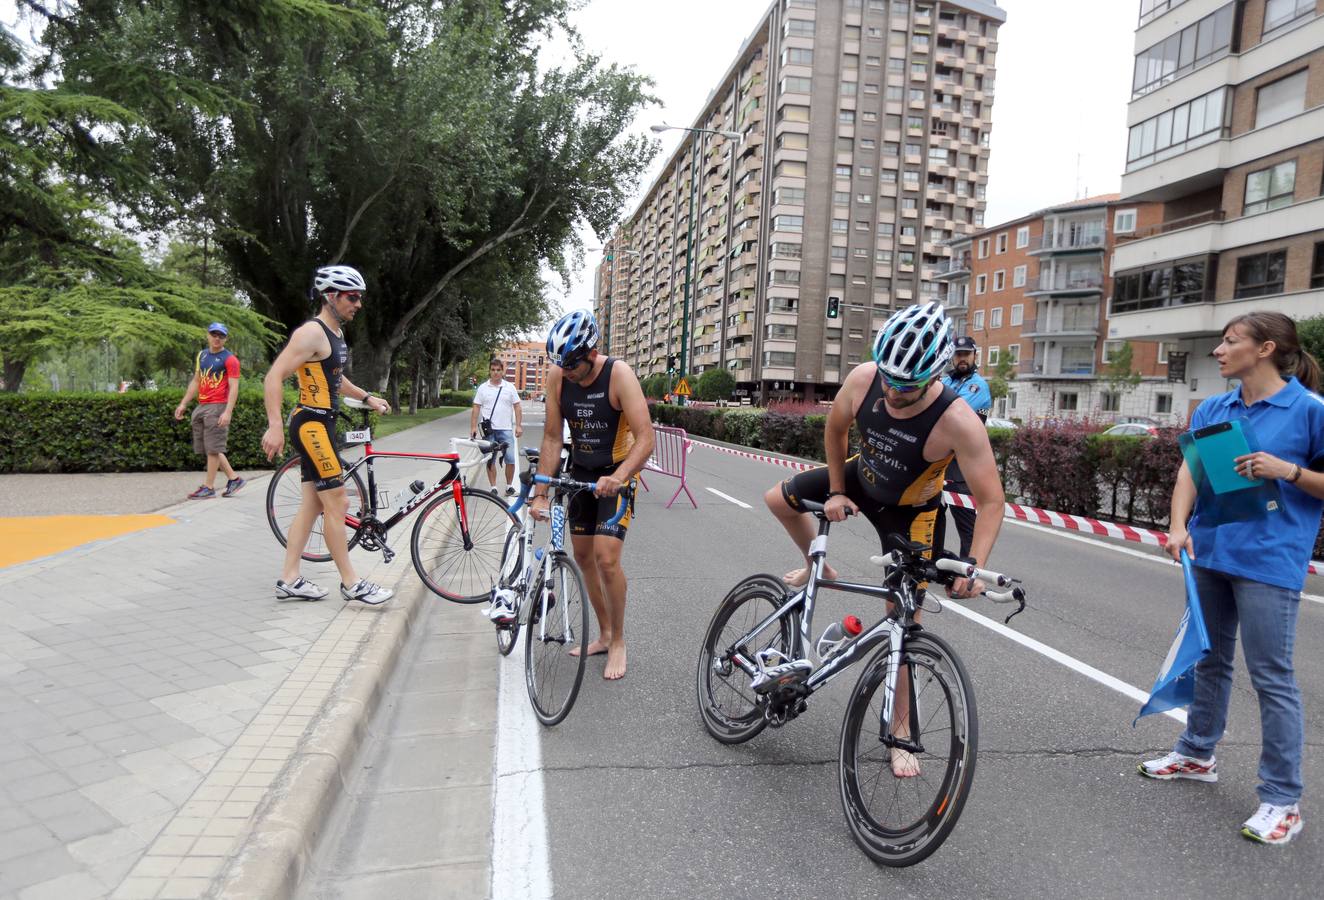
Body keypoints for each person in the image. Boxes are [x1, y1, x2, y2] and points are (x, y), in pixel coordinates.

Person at [764, 302, 1005, 776]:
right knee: (777, 499)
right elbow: (836, 430)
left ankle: (900, 733)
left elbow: (991, 501)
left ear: (935, 375)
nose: (893, 391)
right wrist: (835, 490)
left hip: (911, 511)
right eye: (889, 379)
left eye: (906, 385)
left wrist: (973, 564)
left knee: (902, 624)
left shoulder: (958, 420)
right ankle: (819, 565)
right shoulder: (864, 378)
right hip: (860, 478)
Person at [1140, 311, 1324, 846]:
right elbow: (1190, 472)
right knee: (1211, 659)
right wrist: (1177, 526)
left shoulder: (1309, 410)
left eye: (1229, 341)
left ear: (1265, 348)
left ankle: (1282, 800)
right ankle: (1197, 754)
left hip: (1269, 561)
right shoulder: (1216, 406)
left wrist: (1286, 471)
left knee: (1271, 677)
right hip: (1211, 552)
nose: (1219, 350)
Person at [524, 310, 654, 681]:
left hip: (617, 475)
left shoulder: (620, 374)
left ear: (591, 352)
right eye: (560, 365)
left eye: (572, 365)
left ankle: (619, 642)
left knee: (607, 558)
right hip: (581, 474)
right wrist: (541, 493)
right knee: (583, 557)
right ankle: (604, 633)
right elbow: (552, 436)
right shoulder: (558, 377)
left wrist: (620, 475)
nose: (565, 372)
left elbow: (646, 440)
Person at [261, 265, 394, 606]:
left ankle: (289, 578)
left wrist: (366, 397)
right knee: (338, 502)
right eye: (352, 297)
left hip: (323, 424)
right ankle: (352, 583)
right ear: (331, 296)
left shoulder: (335, 334)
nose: (358, 304)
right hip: (311, 425)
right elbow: (273, 377)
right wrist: (274, 425)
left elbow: (337, 380)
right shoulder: (311, 333)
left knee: (311, 505)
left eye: (360, 297)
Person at [175, 323, 244, 499]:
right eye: (213, 334)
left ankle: (209, 487)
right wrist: (183, 403)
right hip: (202, 405)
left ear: (225, 339)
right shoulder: (202, 355)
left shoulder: (230, 359)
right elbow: (196, 381)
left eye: (220, 335)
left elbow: (234, 387)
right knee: (210, 446)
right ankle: (234, 479)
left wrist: (227, 412)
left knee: (213, 448)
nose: (216, 338)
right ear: (208, 335)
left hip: (218, 405)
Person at [940, 335, 992, 558]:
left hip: (963, 467)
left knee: (966, 524)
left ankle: (968, 573)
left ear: (974, 356)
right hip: (940, 462)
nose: (962, 359)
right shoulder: (946, 381)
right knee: (933, 517)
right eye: (958, 354)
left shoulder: (977, 386)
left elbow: (950, 413)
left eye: (966, 354)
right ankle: (933, 562)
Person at [470, 358, 523, 495]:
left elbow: (517, 406)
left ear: (502, 371)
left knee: (510, 459)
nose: (495, 373)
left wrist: (518, 426)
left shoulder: (509, 387)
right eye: (493, 370)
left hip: (505, 429)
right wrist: (473, 427)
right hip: (489, 431)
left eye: (498, 370)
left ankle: (509, 486)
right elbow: (476, 407)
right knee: (490, 459)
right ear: (490, 371)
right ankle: (493, 488)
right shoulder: (483, 388)